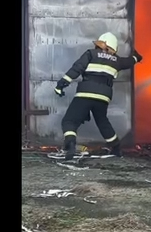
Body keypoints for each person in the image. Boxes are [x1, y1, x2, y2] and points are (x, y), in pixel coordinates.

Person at [55, 32, 143, 160]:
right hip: (103, 98)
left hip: (85, 94)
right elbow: (129, 62)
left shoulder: (90, 54)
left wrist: (61, 84)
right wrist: (136, 57)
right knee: (102, 122)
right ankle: (116, 148)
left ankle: (70, 145)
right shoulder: (117, 61)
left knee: (69, 121)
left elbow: (77, 68)